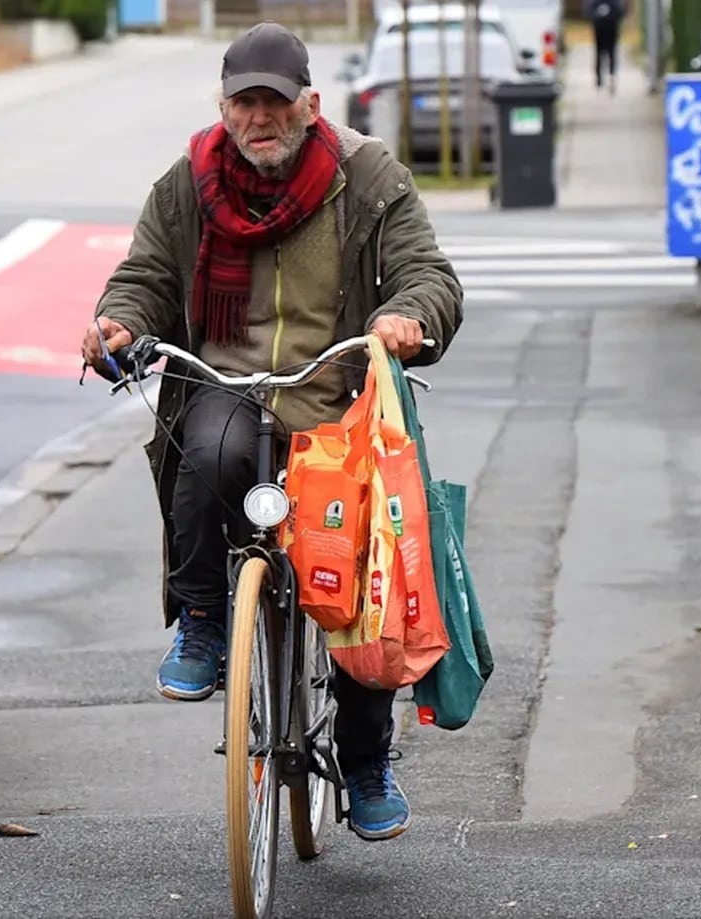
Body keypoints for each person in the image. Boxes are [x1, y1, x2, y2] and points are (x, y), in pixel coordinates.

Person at [80, 20, 462, 842]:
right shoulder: (189, 182)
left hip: (335, 400)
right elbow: (145, 274)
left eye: (275, 104)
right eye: (244, 103)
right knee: (205, 450)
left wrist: (405, 314)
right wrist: (117, 323)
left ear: (309, 105)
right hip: (229, 385)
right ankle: (204, 620)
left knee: (356, 577)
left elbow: (429, 273)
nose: (260, 119)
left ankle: (365, 764)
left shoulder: (367, 176)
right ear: (223, 107)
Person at [588, 0, 625, 95]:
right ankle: (600, 79)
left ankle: (611, 77)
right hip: (600, 30)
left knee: (611, 53)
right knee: (600, 53)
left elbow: (620, 11)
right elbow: (589, 10)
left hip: (611, 30)